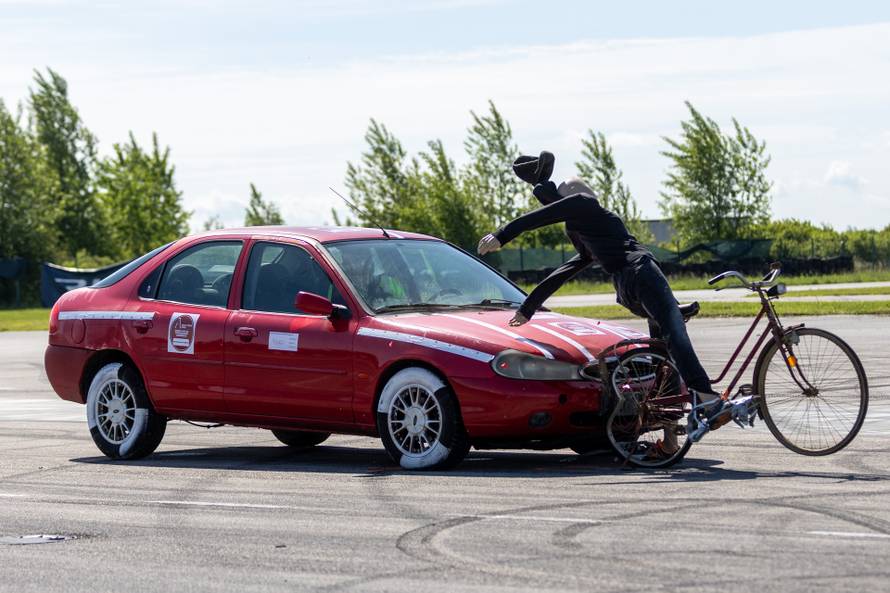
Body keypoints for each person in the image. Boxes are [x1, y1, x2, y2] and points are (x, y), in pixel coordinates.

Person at [478, 151, 721, 406]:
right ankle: (704, 396)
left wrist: (528, 308)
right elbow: (539, 216)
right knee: (675, 335)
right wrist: (502, 234)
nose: (591, 193)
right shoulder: (585, 204)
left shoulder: (584, 231)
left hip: (627, 289)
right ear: (572, 196)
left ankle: (667, 413)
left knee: (663, 347)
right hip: (642, 273)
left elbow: (565, 270)